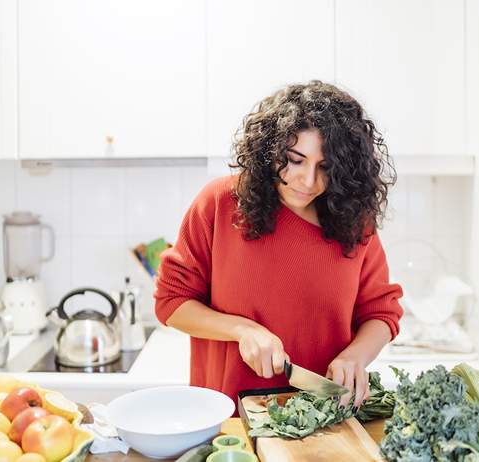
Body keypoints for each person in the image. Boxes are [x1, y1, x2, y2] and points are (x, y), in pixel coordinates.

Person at [154, 80, 403, 413]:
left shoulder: (356, 223)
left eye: (325, 167)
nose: (309, 181)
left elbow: (381, 313)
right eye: (295, 160)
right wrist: (241, 330)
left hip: (325, 418)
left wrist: (355, 356)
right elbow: (171, 302)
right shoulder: (220, 204)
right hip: (230, 419)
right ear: (270, 150)